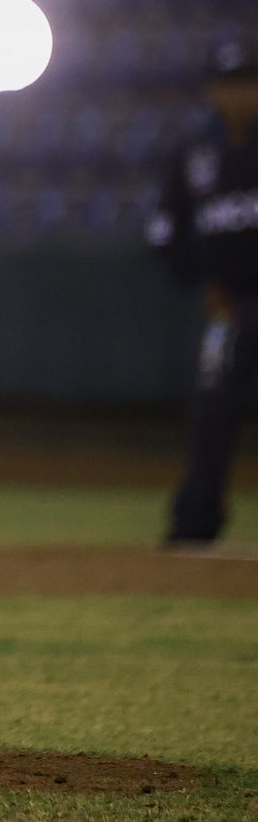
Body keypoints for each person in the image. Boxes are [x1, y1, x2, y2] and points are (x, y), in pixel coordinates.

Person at [148, 34, 258, 549]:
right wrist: (200, 280)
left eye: (248, 84)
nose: (238, 95)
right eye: (228, 84)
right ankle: (196, 521)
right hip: (228, 306)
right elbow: (166, 229)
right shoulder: (194, 152)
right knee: (213, 408)